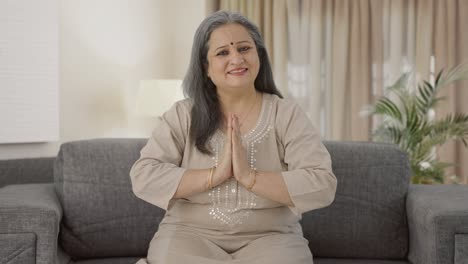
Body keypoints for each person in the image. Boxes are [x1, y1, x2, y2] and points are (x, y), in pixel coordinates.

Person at [130, 10, 337, 264]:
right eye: (223, 53)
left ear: (258, 56)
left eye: (244, 48)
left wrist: (250, 178)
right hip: (189, 236)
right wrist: (214, 175)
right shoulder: (183, 115)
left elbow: (322, 183)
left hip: (271, 237)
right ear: (205, 67)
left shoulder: (285, 113)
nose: (237, 59)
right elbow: (143, 176)